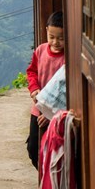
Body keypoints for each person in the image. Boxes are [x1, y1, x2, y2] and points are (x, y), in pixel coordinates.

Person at [26, 11, 65, 170]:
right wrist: (34, 88)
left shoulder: (67, 57)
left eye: (61, 38)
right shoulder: (41, 50)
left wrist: (51, 116)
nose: (55, 42)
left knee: (53, 150)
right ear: (46, 30)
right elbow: (32, 71)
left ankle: (50, 183)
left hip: (57, 113)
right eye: (52, 37)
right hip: (38, 109)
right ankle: (44, 181)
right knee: (33, 149)